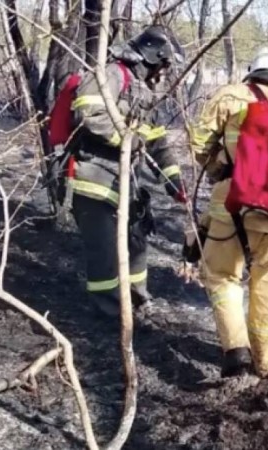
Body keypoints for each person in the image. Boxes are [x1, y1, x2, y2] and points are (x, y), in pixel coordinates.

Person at [188, 44, 268, 378]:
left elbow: (198, 143)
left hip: (231, 204)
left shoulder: (231, 96)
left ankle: (236, 350)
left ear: (253, 71)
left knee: (220, 275)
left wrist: (220, 168)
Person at [66, 25, 187, 317]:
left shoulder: (144, 92)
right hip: (94, 180)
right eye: (165, 64)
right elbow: (88, 114)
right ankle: (108, 311)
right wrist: (128, 140)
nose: (165, 71)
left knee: (137, 242)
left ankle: (137, 298)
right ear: (152, 56)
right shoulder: (109, 75)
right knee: (105, 252)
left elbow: (157, 142)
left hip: (125, 183)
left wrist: (174, 181)